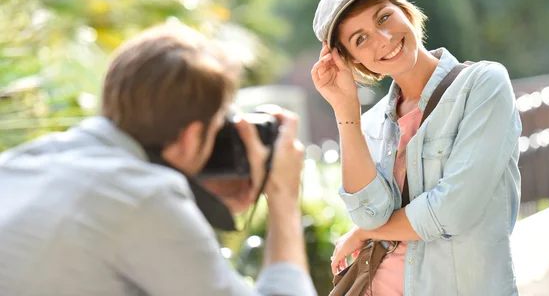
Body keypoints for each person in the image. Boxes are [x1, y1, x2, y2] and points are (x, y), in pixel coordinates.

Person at [0, 24, 317, 296]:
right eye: (219, 125)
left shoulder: (22, 162)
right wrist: (284, 198)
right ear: (192, 137)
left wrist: (201, 202)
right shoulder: (146, 197)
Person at [311, 0, 522, 296]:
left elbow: (453, 210)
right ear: (351, 59)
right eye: (360, 39)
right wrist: (345, 110)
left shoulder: (483, 86)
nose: (383, 39)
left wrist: (368, 234)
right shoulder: (368, 125)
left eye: (383, 17)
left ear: (404, 10)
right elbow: (368, 214)